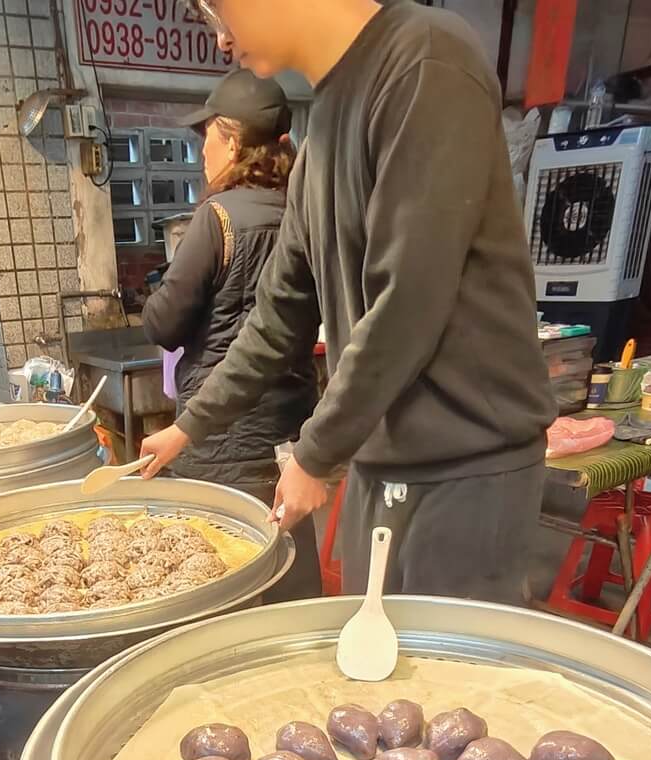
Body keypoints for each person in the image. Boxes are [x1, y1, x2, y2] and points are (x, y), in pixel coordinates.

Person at [140, 0, 557, 603]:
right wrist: (189, 427)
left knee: (447, 686)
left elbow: (408, 301)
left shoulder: (424, 63)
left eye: (216, 9)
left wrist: (313, 453)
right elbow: (278, 316)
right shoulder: (321, 132)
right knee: (369, 679)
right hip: (377, 460)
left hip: (466, 464)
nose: (222, 39)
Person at [141, 69, 322, 600]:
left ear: (234, 140)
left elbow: (163, 324)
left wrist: (162, 289)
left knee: (220, 569)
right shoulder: (304, 214)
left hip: (220, 435)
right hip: (292, 427)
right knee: (289, 553)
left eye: (208, 137)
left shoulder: (216, 218)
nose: (201, 151)